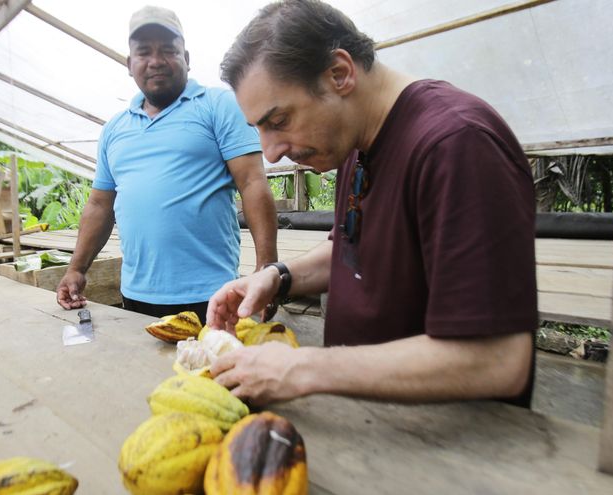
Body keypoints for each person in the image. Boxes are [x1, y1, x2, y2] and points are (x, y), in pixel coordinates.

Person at [207, 0, 537, 407]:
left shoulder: (456, 145)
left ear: (340, 74)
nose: (270, 153)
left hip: (446, 449)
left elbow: (499, 359)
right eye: (259, 128)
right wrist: (279, 276)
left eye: (279, 121)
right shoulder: (356, 143)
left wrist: (303, 368)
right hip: (379, 430)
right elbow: (352, 246)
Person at [56, 6, 277, 325]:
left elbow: (253, 183)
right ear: (129, 64)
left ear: (186, 58)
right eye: (143, 52)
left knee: (213, 372)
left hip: (212, 294)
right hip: (137, 294)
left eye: (168, 50)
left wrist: (267, 267)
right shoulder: (115, 128)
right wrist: (76, 269)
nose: (156, 60)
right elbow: (99, 205)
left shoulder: (218, 105)